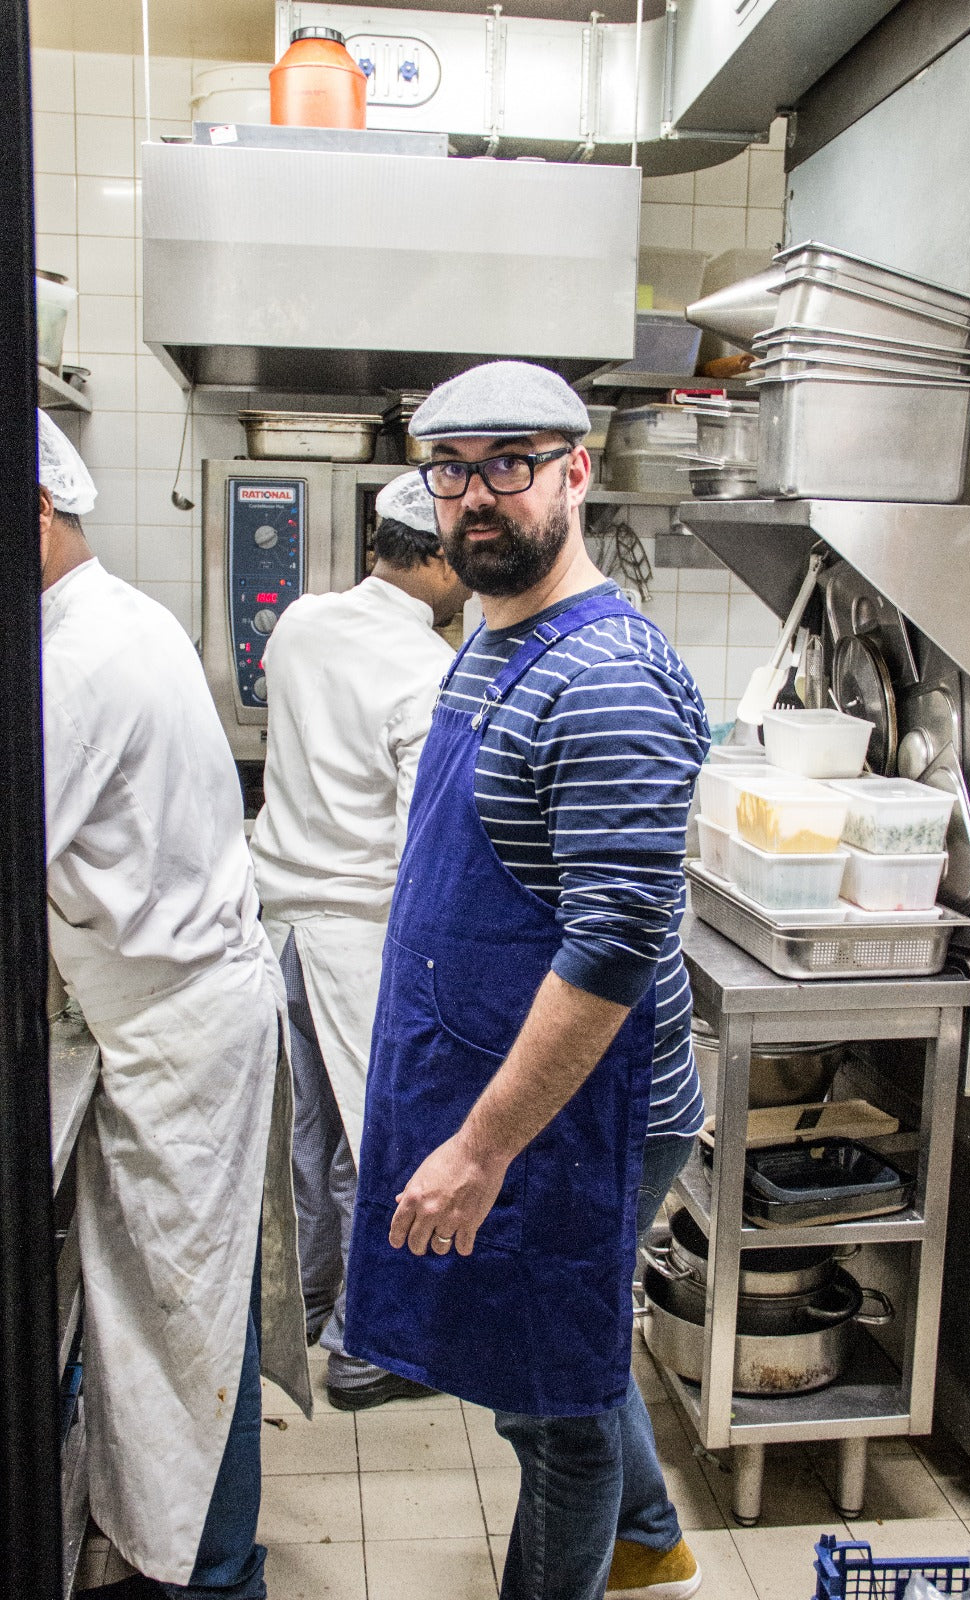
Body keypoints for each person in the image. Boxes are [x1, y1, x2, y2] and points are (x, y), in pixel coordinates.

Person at [344, 363, 711, 1600]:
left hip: (584, 1114)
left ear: (576, 470)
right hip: (516, 1087)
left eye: (510, 461)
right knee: (561, 1363)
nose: (476, 495)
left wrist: (482, 1146)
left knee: (551, 1407)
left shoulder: (600, 675)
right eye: (451, 468)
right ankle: (652, 1537)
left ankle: (612, 1559)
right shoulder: (497, 643)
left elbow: (608, 949)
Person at [37, 411, 310, 1600]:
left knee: (188, 1327)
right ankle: (198, 1559)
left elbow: (1, 851)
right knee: (186, 1315)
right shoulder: (118, 618)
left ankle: (216, 1577)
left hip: (177, 1034)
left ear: (30, 512)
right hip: (174, 1018)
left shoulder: (74, 661)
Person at [250, 471, 470, 1409]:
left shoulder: (301, 620)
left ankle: (302, 1305)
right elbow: (433, 831)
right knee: (378, 1141)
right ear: (438, 557)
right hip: (358, 937)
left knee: (301, 1132)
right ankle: (362, 1347)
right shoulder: (425, 670)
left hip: (275, 922)